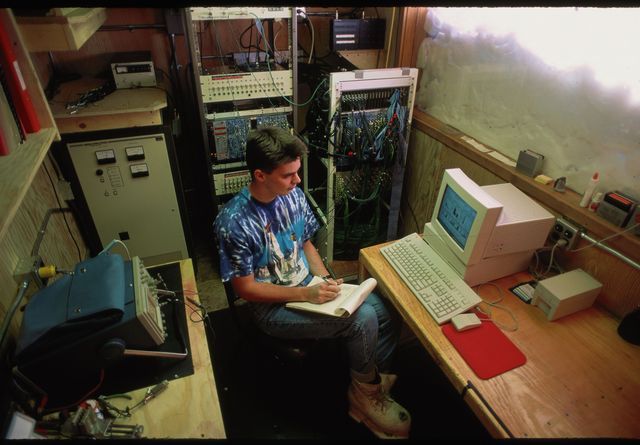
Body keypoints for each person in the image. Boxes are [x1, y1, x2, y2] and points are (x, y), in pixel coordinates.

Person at [214, 127, 411, 439]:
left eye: (298, 172)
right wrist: (306, 292)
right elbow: (245, 289)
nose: (298, 181)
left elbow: (306, 244)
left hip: (307, 284)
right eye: (289, 174)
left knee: (385, 312)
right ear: (260, 175)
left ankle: (369, 384)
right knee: (363, 320)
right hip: (272, 309)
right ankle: (366, 396)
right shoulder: (234, 222)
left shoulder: (290, 195)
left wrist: (328, 282)